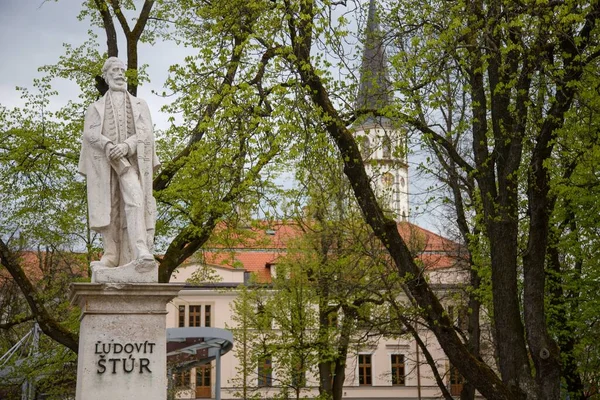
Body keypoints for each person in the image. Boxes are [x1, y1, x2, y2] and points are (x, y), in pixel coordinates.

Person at [78, 57, 160, 268]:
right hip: (104, 164)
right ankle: (111, 254)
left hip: (129, 162)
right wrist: (107, 145)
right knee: (109, 207)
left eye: (122, 70)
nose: (120, 74)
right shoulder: (95, 107)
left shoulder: (140, 105)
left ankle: (140, 249)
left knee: (136, 199)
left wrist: (126, 146)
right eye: (114, 70)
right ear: (106, 76)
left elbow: (146, 133)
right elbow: (90, 134)